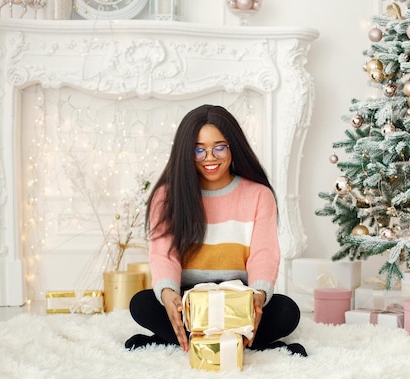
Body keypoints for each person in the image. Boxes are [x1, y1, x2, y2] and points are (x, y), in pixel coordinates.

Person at [125, 104, 306, 357]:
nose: (210, 157)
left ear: (233, 146)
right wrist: (168, 294)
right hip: (189, 303)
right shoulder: (167, 196)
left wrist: (258, 295)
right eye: (199, 150)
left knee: (287, 311)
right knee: (142, 304)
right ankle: (246, 343)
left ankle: (179, 340)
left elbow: (264, 253)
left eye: (219, 147)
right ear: (186, 153)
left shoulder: (259, 195)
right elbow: (163, 254)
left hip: (239, 301)